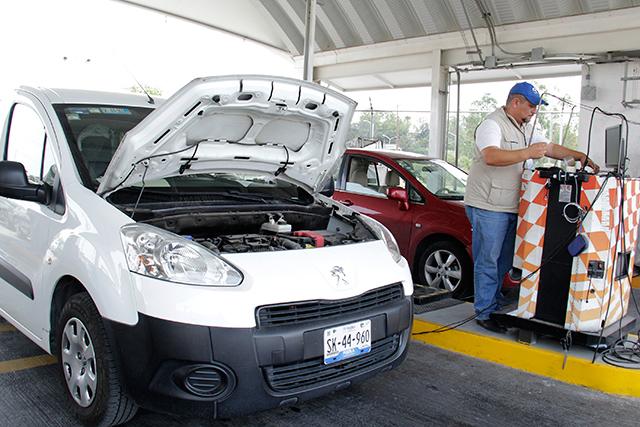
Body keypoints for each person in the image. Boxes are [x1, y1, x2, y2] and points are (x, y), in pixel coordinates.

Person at [463, 81, 599, 333]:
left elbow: (548, 148)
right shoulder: (492, 124)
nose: (534, 111)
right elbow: (491, 156)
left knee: (504, 260)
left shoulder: (524, 127)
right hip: (488, 205)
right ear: (515, 102)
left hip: (511, 205)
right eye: (531, 106)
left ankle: (493, 300)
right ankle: (484, 311)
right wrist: (527, 152)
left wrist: (579, 155)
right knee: (488, 260)